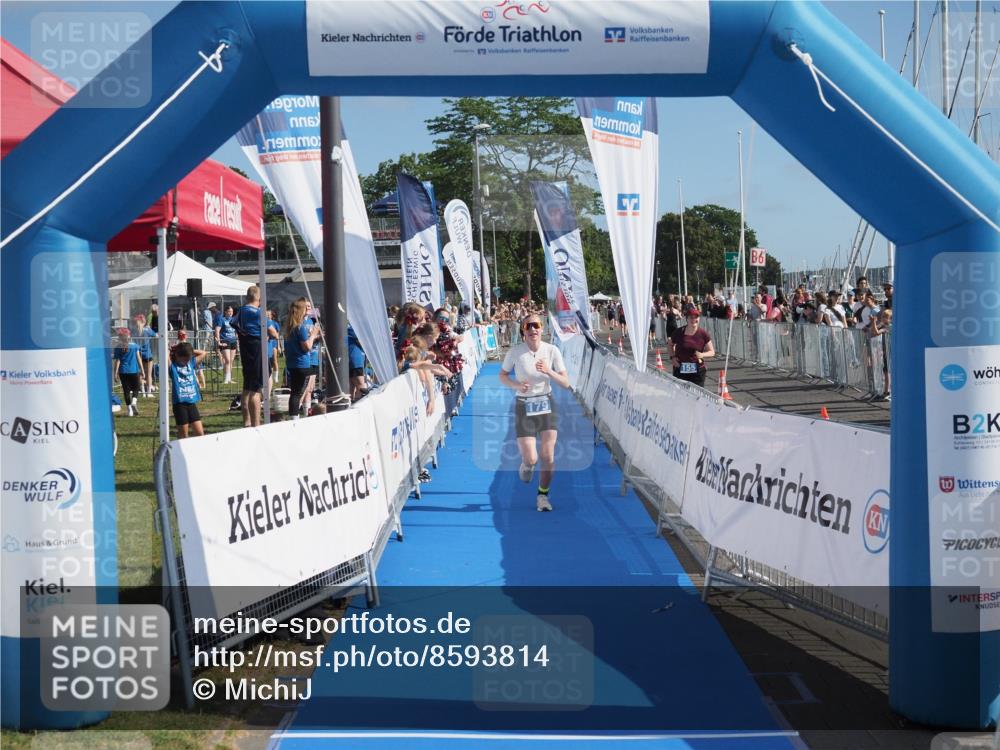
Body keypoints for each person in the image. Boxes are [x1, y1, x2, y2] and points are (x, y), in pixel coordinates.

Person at [499, 314, 570, 513]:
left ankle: (542, 496)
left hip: (546, 403)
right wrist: (516, 385)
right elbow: (502, 375)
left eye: (536, 325)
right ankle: (526, 465)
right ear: (523, 330)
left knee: (548, 456)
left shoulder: (552, 350)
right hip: (524, 405)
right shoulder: (515, 352)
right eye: (528, 326)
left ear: (541, 328)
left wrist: (549, 371)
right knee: (531, 459)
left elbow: (565, 383)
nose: (533, 330)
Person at [230, 286, 279, 427]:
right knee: (255, 390)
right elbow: (274, 333)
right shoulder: (259, 313)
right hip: (257, 350)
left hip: (246, 349)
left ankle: (247, 421)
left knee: (247, 387)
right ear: (259, 298)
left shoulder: (240, 311)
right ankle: (256, 424)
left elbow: (233, 323)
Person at [284, 298, 321, 420]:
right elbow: (307, 347)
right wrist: (314, 335)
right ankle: (297, 416)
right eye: (306, 307)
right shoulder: (300, 328)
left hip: (292, 363)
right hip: (302, 364)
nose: (308, 309)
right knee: (300, 392)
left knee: (295, 392)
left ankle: (294, 417)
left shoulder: (290, 326)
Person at [667, 307, 715, 388]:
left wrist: (702, 355)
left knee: (697, 396)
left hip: (698, 370)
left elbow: (712, 352)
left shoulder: (703, 334)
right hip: (680, 368)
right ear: (687, 319)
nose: (694, 320)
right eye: (691, 317)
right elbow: (670, 344)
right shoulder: (678, 332)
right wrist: (673, 358)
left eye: (696, 317)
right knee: (680, 394)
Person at [169, 341, 207, 438]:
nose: (186, 362)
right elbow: (166, 355)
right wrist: (174, 349)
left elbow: (203, 353)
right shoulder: (172, 367)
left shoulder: (191, 363)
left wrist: (189, 350)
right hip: (180, 404)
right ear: (177, 356)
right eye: (184, 359)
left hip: (191, 403)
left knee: (200, 434)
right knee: (183, 435)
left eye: (188, 359)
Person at [112, 329, 143, 416]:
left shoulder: (118, 347)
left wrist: (115, 374)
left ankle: (129, 411)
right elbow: (139, 359)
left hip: (123, 371)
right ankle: (134, 401)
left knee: (126, 391)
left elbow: (117, 361)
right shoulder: (135, 346)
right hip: (134, 371)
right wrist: (142, 370)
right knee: (136, 388)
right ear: (129, 336)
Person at [214, 304, 238, 384]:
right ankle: (226, 379)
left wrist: (237, 338)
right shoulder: (222, 319)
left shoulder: (234, 320)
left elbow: (237, 330)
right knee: (227, 360)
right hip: (225, 341)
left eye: (232, 311)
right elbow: (217, 330)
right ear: (225, 312)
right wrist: (218, 341)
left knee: (231, 361)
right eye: (229, 311)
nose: (230, 313)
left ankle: (229, 378)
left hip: (233, 341)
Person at [347, 324, 367, 401]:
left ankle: (350, 406)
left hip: (353, 359)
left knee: (351, 387)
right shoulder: (353, 327)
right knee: (361, 386)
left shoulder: (349, 327)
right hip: (355, 360)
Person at [267, 308, 281, 388]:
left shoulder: (275, 323)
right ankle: (270, 376)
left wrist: (278, 346)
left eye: (269, 314)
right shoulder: (264, 321)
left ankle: (275, 376)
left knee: (275, 360)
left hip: (274, 343)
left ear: (272, 315)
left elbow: (277, 335)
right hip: (268, 342)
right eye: (267, 314)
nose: (268, 315)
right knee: (268, 360)